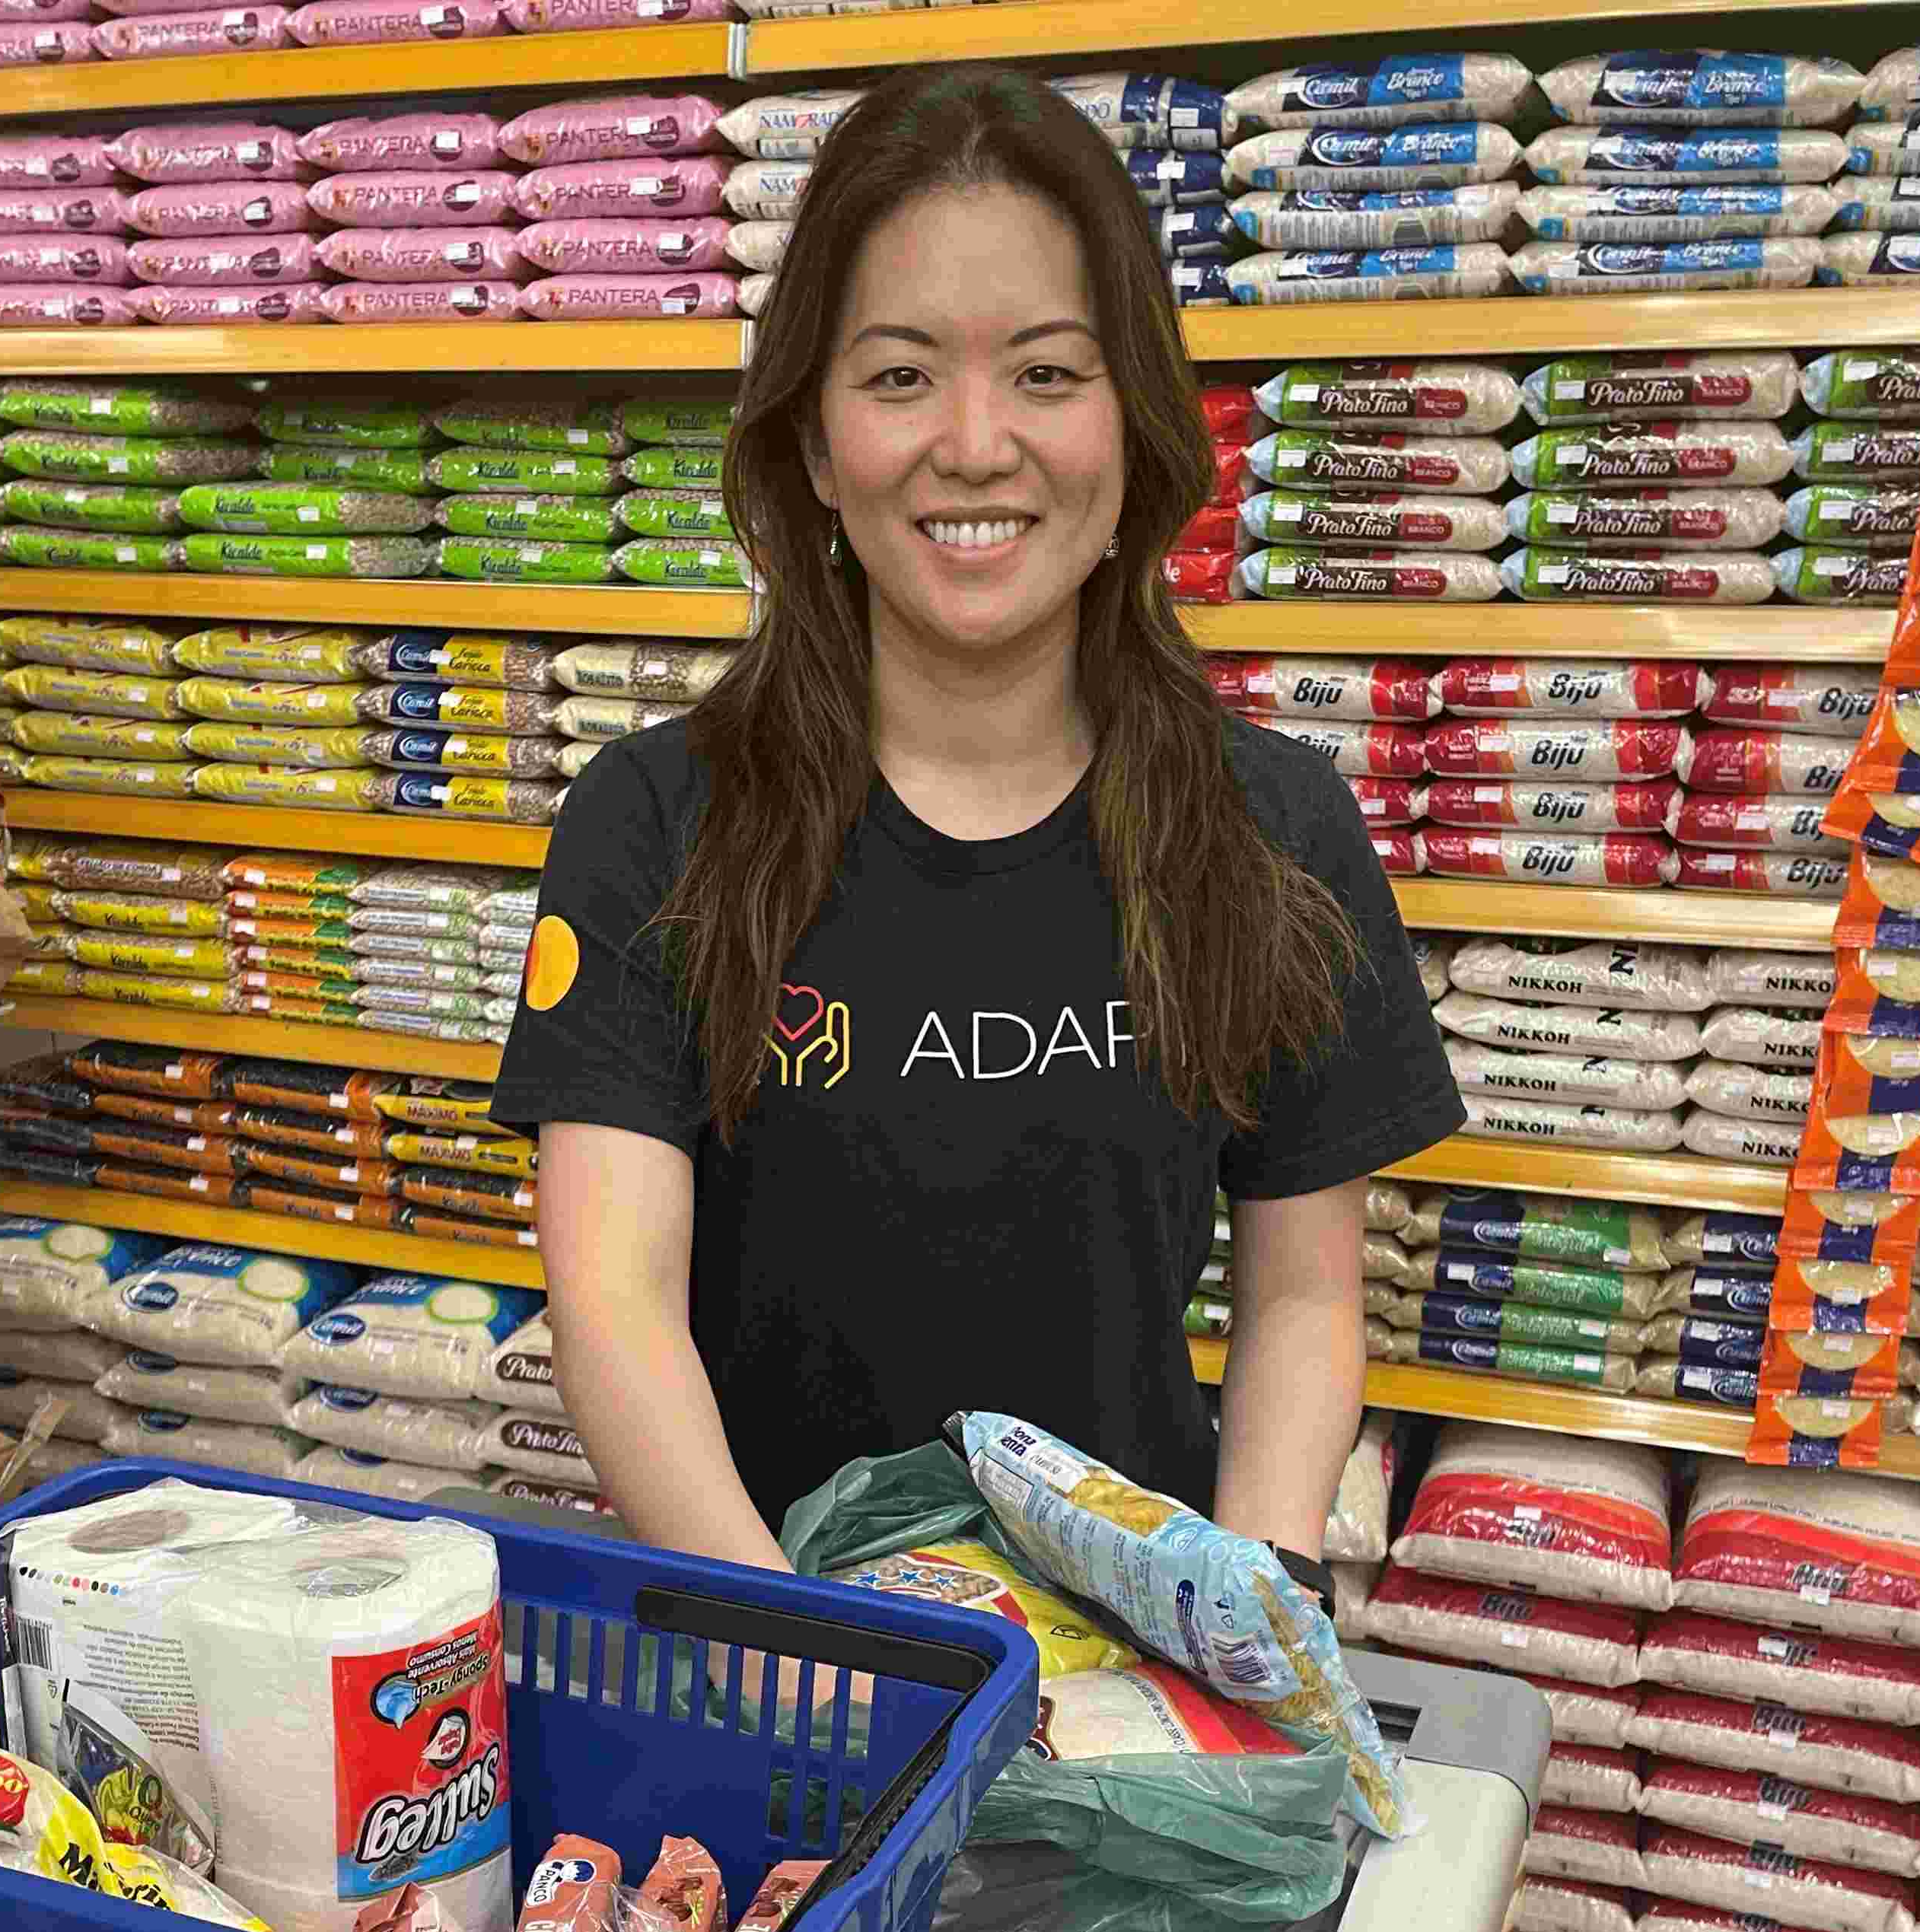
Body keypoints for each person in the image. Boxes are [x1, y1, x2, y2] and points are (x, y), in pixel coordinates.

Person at [490, 62, 1463, 1593]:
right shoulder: (656, 824)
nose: (973, 442)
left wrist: (1247, 1629)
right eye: (896, 376)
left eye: (1048, 373)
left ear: (1135, 426)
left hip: (1140, 1682)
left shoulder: (1275, 827)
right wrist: (812, 1647)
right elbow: (614, 1302)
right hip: (778, 1662)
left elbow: (1300, 1299)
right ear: (813, 442)